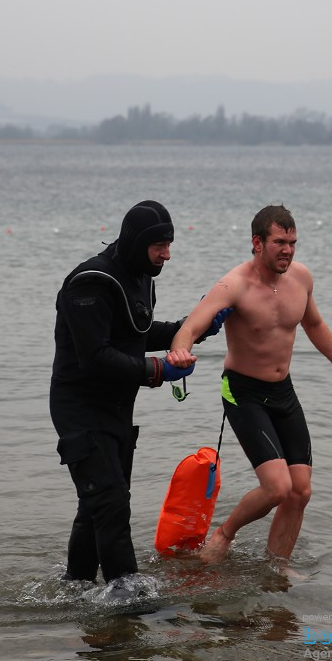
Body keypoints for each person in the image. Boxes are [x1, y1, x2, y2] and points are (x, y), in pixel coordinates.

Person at [166, 204, 332, 565]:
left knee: (300, 491)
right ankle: (223, 535)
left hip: (283, 392)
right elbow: (190, 327)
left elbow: (315, 325)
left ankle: (278, 571)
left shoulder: (301, 279)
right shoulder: (234, 285)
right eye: (279, 242)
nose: (288, 250)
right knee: (278, 487)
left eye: (292, 242)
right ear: (257, 243)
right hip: (242, 392)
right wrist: (179, 352)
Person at [49, 200, 228, 587]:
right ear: (135, 242)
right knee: (112, 505)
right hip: (80, 410)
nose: (167, 254)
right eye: (159, 246)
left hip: (116, 409)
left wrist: (193, 328)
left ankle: (75, 587)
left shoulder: (141, 277)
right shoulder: (91, 282)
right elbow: (94, 357)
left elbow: (138, 332)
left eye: (169, 244)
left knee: (96, 506)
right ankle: (129, 598)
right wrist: (159, 370)